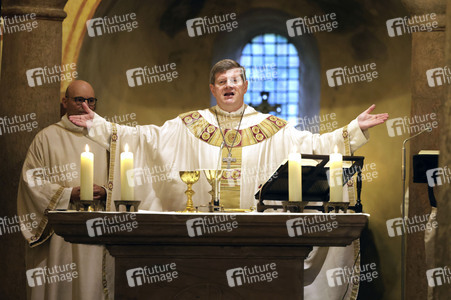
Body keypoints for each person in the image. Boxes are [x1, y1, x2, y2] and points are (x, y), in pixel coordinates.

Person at [70, 59, 389, 300]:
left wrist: (352, 131)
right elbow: (145, 138)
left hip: (261, 242)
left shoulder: (273, 127)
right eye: (221, 81)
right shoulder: (189, 125)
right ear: (212, 89)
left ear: (245, 85)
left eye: (235, 80)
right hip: (199, 241)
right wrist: (99, 127)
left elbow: (312, 146)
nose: (228, 85)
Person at [17, 80, 114, 300]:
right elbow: (30, 181)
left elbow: (124, 181)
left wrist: (107, 192)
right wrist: (67, 194)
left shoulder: (108, 139)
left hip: (96, 231)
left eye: (91, 101)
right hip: (59, 237)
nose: (85, 106)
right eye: (79, 100)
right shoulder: (46, 138)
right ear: (65, 102)